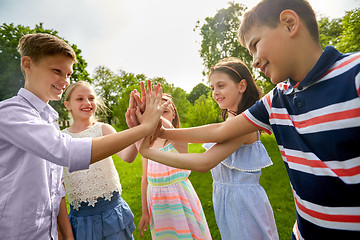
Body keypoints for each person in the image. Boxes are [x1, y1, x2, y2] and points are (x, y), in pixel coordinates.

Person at [154, 0, 360, 239]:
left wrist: (155, 143)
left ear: (289, 24)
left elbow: (208, 154)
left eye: (255, 45)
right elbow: (219, 131)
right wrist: (161, 133)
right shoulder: (277, 99)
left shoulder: (353, 74)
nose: (253, 61)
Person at [0, 33, 167, 240]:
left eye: (68, 74)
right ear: (28, 64)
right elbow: (67, 152)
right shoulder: (10, 113)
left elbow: (54, 192)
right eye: (56, 71)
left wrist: (139, 126)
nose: (64, 80)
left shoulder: (48, 121)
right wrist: (143, 128)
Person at [139, 58, 278, 240]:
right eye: (212, 88)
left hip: (244, 204)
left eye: (221, 85)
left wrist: (149, 151)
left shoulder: (244, 124)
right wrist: (164, 133)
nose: (215, 92)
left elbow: (204, 162)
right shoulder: (231, 122)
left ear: (241, 85)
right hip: (227, 201)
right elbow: (213, 132)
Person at [62, 81, 138, 239]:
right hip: (81, 218)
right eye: (80, 99)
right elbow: (58, 188)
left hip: (112, 212)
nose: (87, 103)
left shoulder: (104, 129)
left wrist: (138, 128)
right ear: (67, 104)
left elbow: (128, 157)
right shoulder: (61, 138)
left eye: (91, 98)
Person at [138, 94, 212, 240]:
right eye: (156, 111)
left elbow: (182, 149)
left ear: (173, 115)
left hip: (180, 199)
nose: (159, 114)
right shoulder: (147, 144)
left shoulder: (179, 138)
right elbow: (145, 180)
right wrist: (145, 212)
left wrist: (156, 116)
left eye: (165, 111)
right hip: (157, 202)